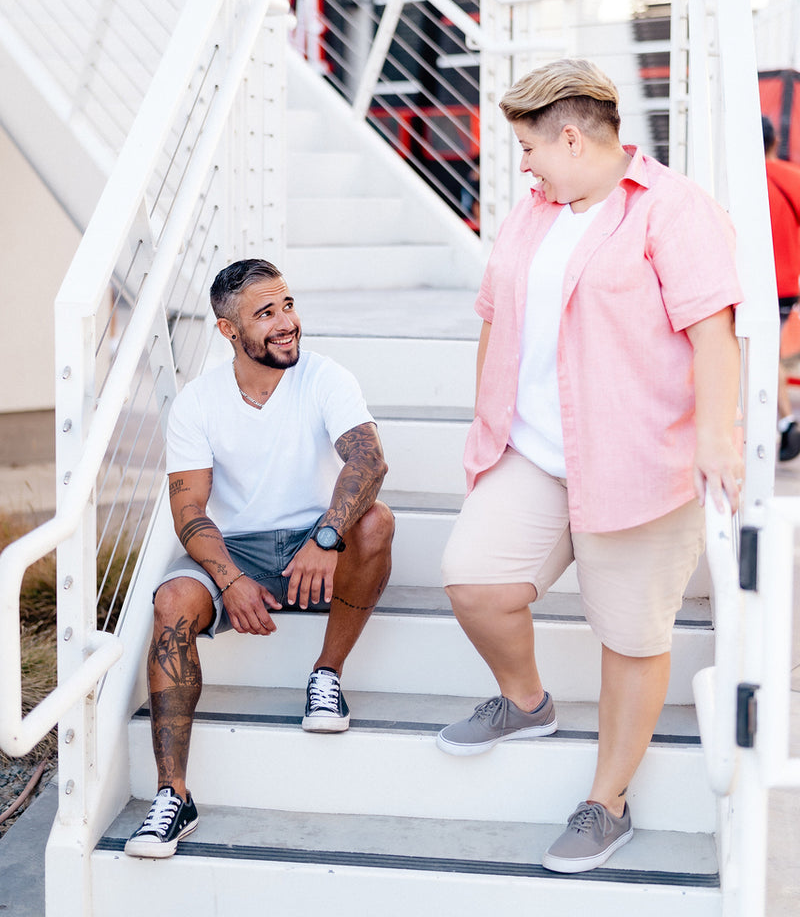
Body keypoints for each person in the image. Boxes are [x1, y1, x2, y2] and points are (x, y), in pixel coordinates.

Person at [437, 59, 743, 873]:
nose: (525, 165)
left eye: (530, 147)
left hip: (641, 460)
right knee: (475, 580)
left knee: (631, 637)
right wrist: (485, 421)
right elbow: (494, 317)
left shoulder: (674, 210)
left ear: (571, 136)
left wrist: (718, 437)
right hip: (533, 450)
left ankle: (606, 802)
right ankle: (527, 701)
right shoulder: (533, 214)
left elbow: (714, 331)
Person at [125, 259, 393, 858]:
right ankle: (173, 797)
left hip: (317, 541)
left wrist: (326, 538)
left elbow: (368, 462)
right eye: (266, 314)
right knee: (171, 601)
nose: (286, 323)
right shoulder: (198, 403)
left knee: (375, 522)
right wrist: (232, 579)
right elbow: (190, 510)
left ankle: (326, 675)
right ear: (228, 331)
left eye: (288, 306)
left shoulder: (325, 377)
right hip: (237, 547)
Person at [762, 114, 800, 461]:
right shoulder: (793, 177)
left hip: (757, 284)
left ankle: (786, 423)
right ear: (774, 142)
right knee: (769, 353)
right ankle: (786, 423)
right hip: (788, 285)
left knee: (765, 355)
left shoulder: (747, 183)